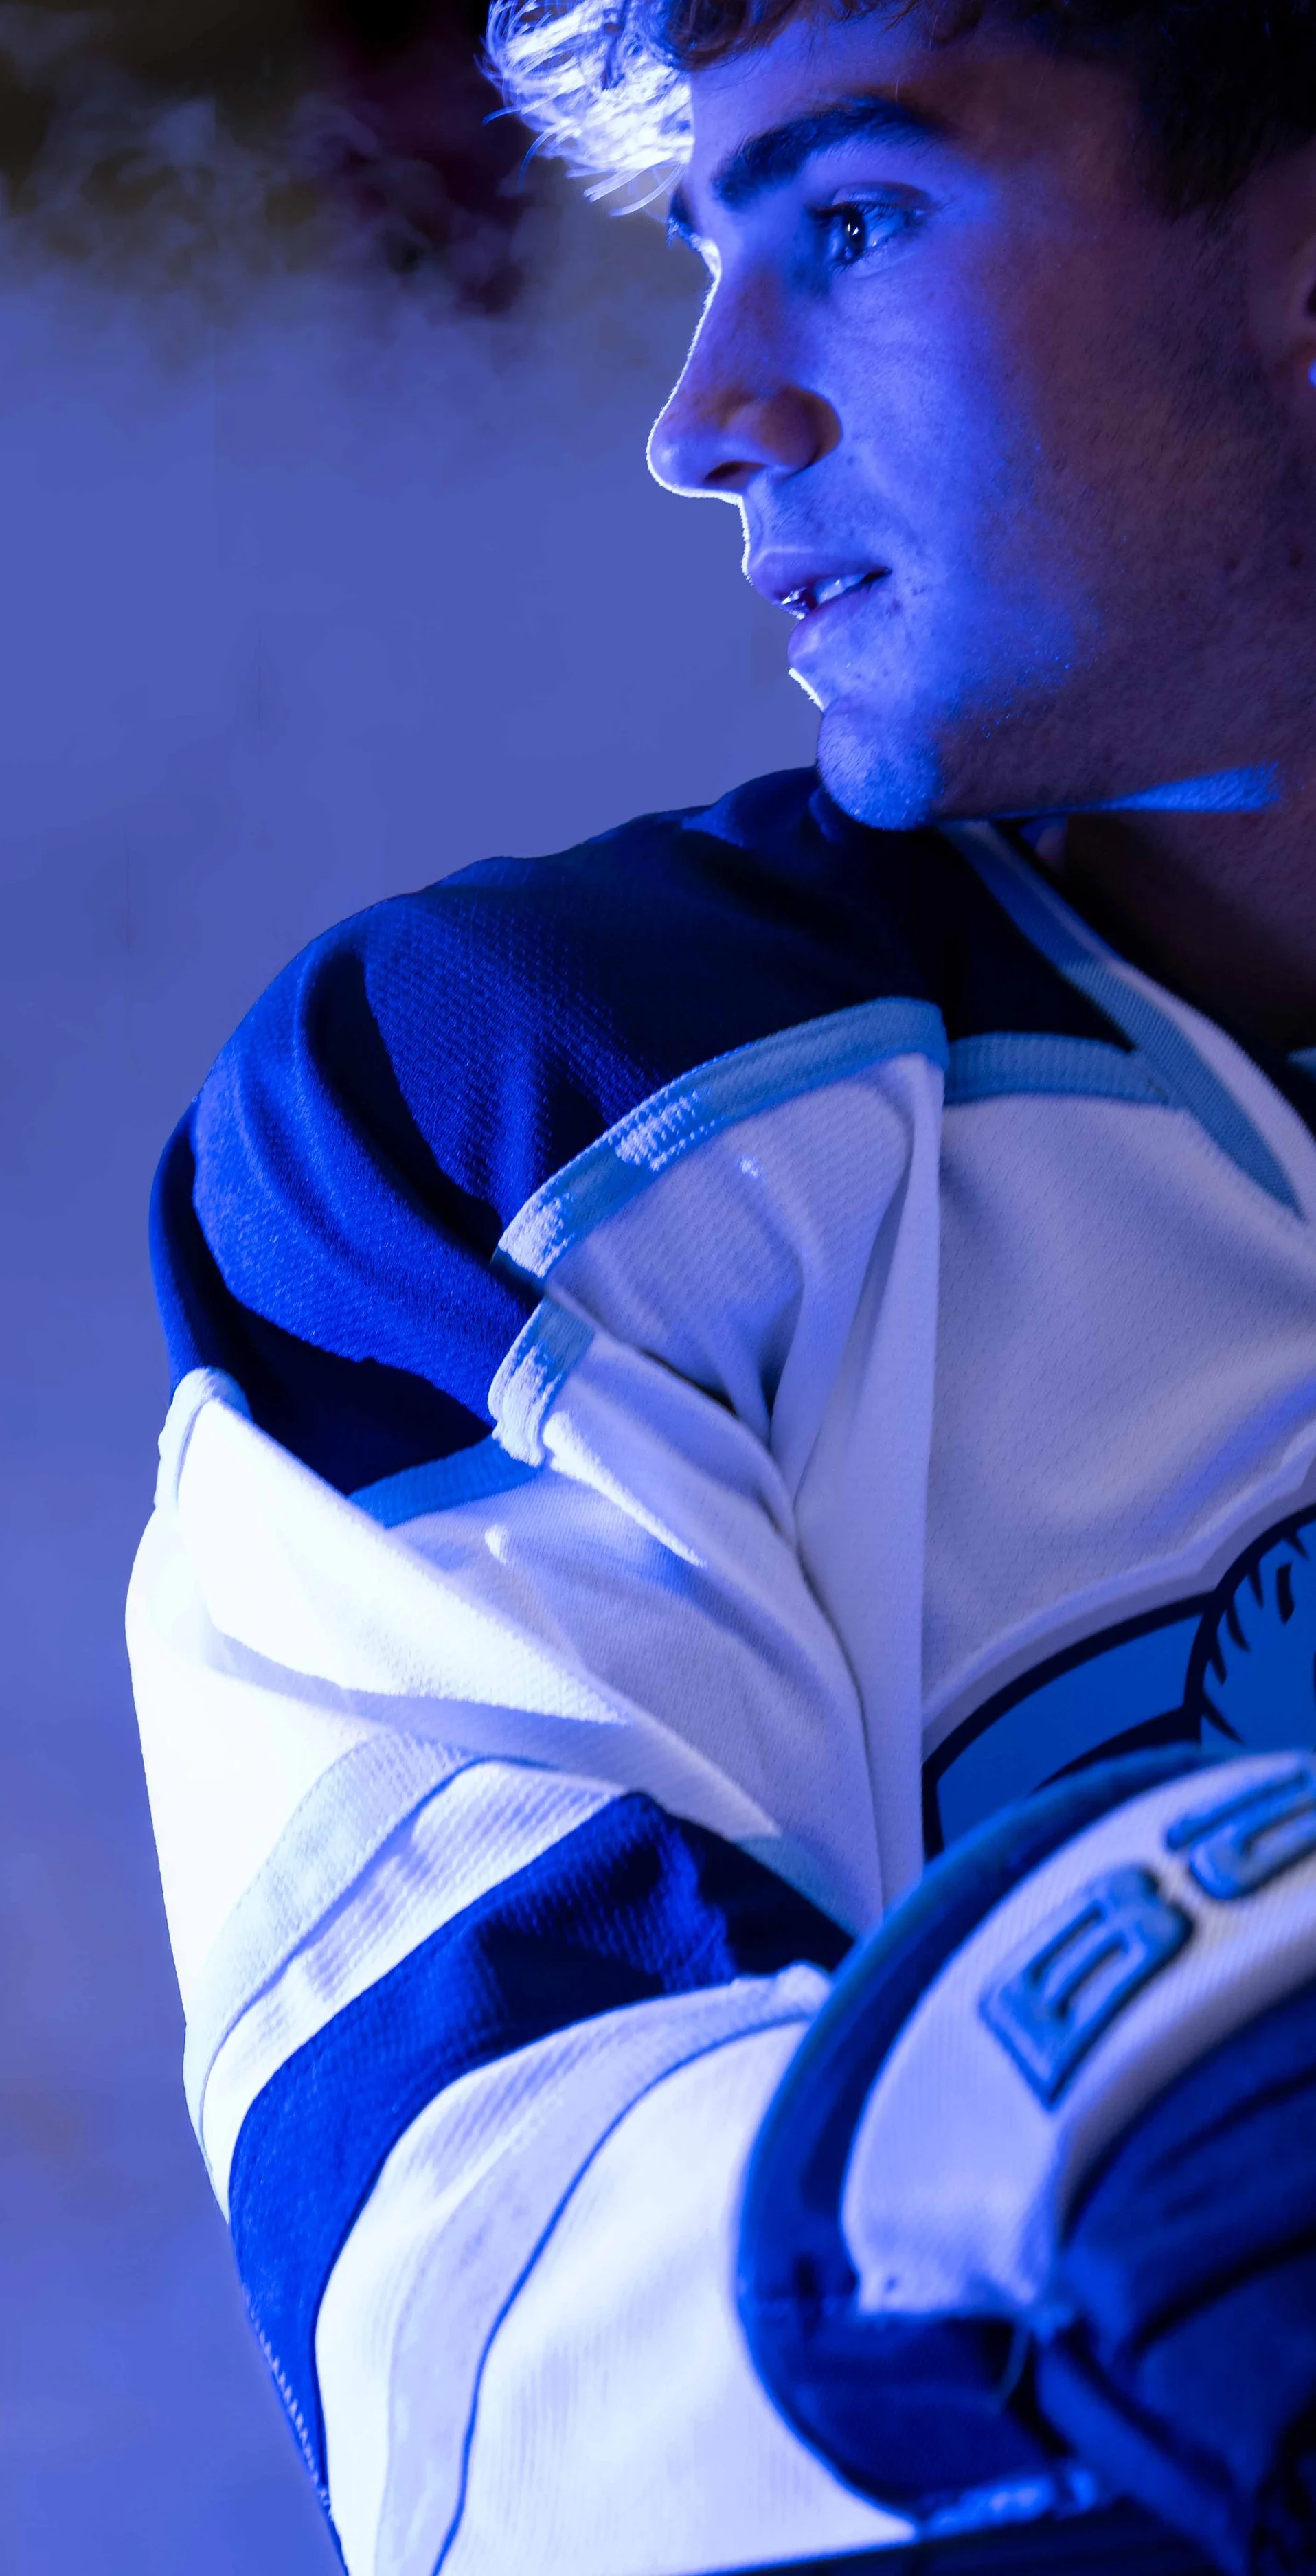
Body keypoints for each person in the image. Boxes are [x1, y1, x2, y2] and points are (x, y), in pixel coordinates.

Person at [126, 4, 1316, 2569]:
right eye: (703, 252)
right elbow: (492, 2333)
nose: (701, 418)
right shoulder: (521, 1109)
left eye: (853, 221)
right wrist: (1128, 2095)